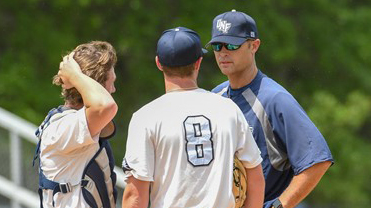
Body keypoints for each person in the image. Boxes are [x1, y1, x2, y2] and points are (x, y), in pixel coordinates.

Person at [121, 27, 265, 208]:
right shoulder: (228, 109)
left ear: (158, 63)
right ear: (198, 62)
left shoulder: (145, 117)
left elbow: (135, 196)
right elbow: (256, 178)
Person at [207, 10, 334, 208]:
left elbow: (317, 161)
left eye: (232, 45)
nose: (223, 52)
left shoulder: (274, 99)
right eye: (217, 45)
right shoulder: (215, 96)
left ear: (254, 46)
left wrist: (280, 205)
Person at [34, 41, 118, 208]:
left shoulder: (74, 122)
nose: (113, 89)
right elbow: (106, 106)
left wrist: (76, 77)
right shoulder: (63, 126)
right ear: (96, 86)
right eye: (111, 82)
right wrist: (77, 76)